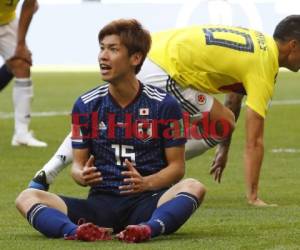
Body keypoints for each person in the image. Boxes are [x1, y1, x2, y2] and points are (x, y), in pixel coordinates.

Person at [29, 15, 300, 206]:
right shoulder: (265, 66)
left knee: (222, 122)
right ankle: (154, 174)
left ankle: (47, 173)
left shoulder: (258, 43)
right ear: (293, 46)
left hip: (159, 51)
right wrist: (253, 196)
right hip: (167, 69)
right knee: (108, 119)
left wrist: (223, 150)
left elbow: (233, 99)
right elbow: (254, 141)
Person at [16, 19, 206, 243]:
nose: (103, 56)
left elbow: (177, 167)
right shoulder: (85, 105)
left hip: (148, 202)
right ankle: (76, 232)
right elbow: (77, 165)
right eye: (102, 48)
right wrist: (81, 174)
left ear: (135, 58)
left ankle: (146, 229)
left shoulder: (165, 105)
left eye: (113, 49)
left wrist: (147, 182)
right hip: (100, 206)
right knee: (27, 197)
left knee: (195, 187)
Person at [0, 0, 47, 147]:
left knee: (21, 64)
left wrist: (21, 44)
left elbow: (30, 4)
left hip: (6, 21)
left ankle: (21, 134)